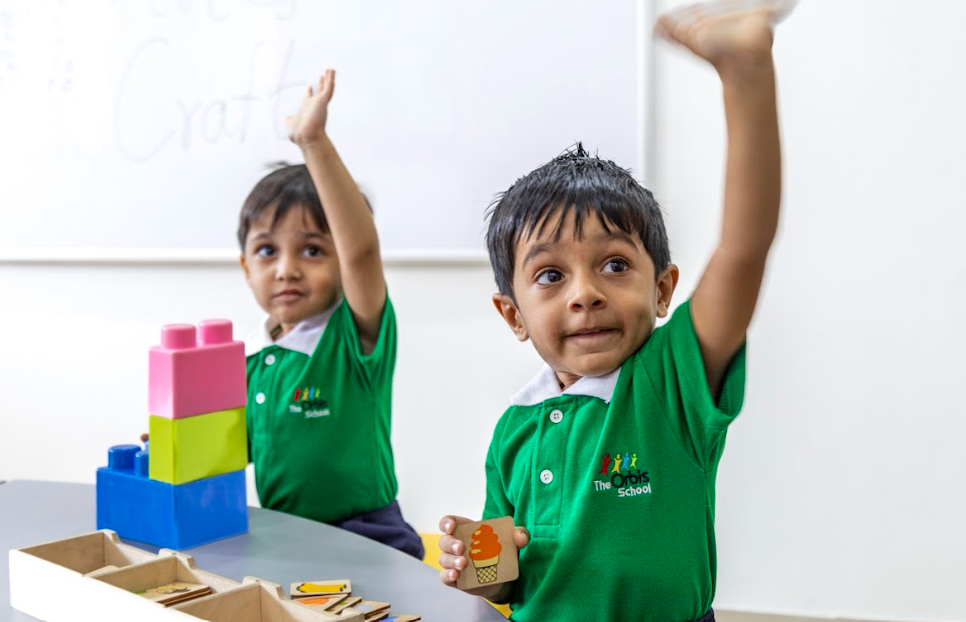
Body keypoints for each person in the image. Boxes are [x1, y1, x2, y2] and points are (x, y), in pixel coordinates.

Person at [437, 0, 792, 618]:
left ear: (662, 290)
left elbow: (744, 248)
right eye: (550, 275)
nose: (585, 293)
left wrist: (746, 75)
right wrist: (478, 571)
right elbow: (503, 582)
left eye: (615, 265)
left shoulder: (670, 381)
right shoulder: (513, 430)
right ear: (512, 315)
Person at [239, 69, 422, 559]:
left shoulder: (355, 337)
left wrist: (313, 141)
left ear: (341, 261)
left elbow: (362, 250)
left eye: (313, 251)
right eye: (266, 251)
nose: (286, 270)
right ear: (245, 266)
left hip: (371, 537)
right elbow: (229, 456)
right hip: (286, 539)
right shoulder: (251, 364)